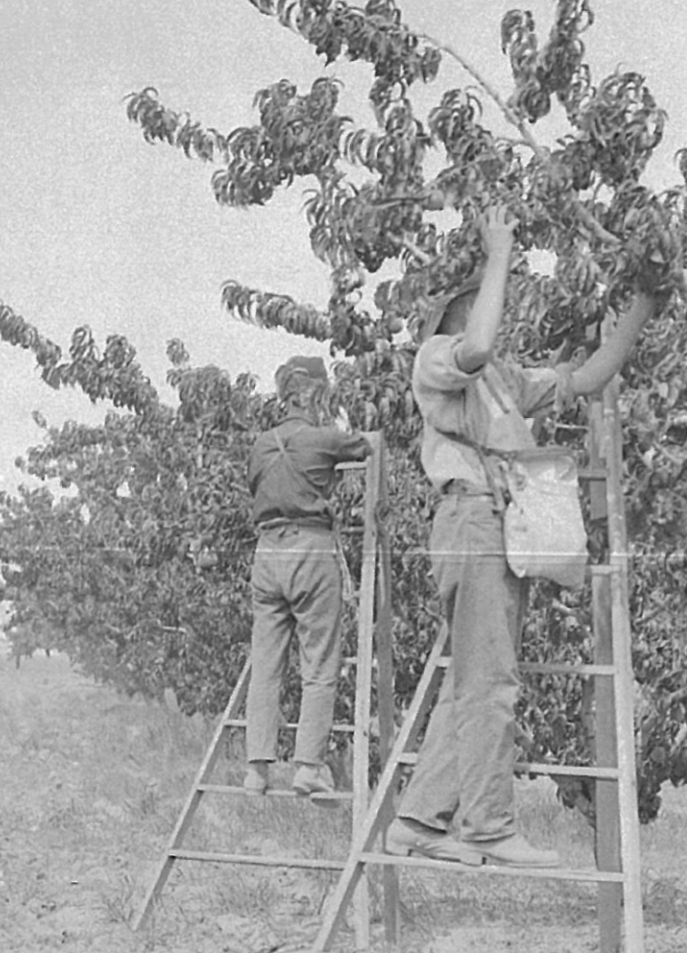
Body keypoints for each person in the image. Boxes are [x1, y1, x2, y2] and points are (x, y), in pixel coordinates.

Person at [386, 203, 662, 869]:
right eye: (478, 305)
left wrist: (643, 309)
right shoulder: (437, 360)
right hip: (470, 520)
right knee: (492, 684)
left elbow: (590, 377)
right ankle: (485, 825)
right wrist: (500, 251)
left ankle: (418, 820)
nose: (491, 316)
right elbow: (476, 345)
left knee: (474, 682)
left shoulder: (505, 382)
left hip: (501, 527)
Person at [243, 355, 372, 800]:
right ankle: (308, 765)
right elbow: (366, 446)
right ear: (315, 395)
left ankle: (256, 770)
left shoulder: (261, 443)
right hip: (309, 549)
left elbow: (258, 485)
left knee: (266, 665)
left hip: (266, 552)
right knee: (319, 664)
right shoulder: (322, 438)